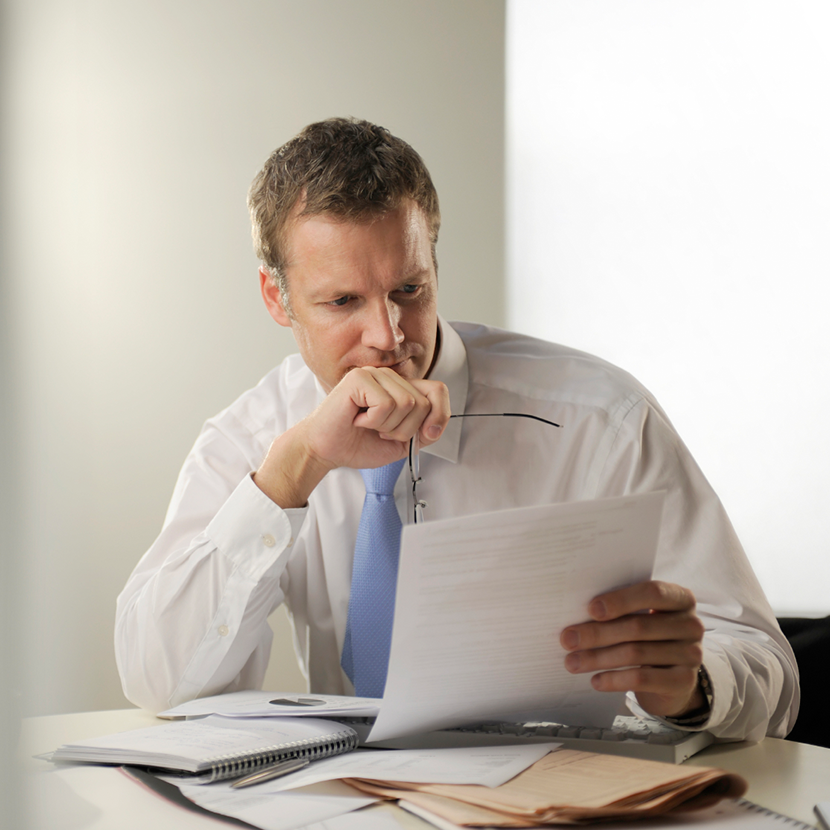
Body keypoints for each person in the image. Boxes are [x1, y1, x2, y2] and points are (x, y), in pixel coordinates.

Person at [115, 118, 798, 741]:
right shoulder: (256, 436)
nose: (387, 337)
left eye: (408, 290)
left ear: (434, 264)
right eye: (343, 301)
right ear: (277, 298)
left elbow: (769, 671)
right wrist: (292, 473)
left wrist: (691, 687)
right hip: (353, 807)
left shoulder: (601, 421)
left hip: (562, 802)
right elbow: (158, 678)